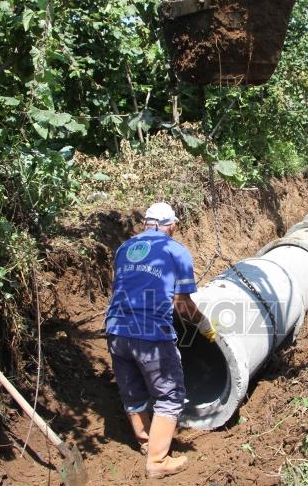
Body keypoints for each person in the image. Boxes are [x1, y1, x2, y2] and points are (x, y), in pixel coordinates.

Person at [104, 202, 216, 479]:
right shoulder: (175, 251)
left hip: (116, 329)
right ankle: (158, 460)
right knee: (169, 395)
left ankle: (145, 443)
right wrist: (204, 325)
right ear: (172, 224)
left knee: (132, 391)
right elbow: (182, 305)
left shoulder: (123, 249)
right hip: (150, 333)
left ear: (146, 222)